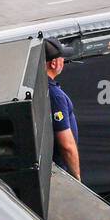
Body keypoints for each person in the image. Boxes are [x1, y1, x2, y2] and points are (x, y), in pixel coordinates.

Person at [45, 38, 81, 179]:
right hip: (61, 172)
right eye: (61, 58)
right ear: (53, 63)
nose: (63, 61)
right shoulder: (55, 96)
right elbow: (66, 145)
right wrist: (77, 177)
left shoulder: (44, 86)